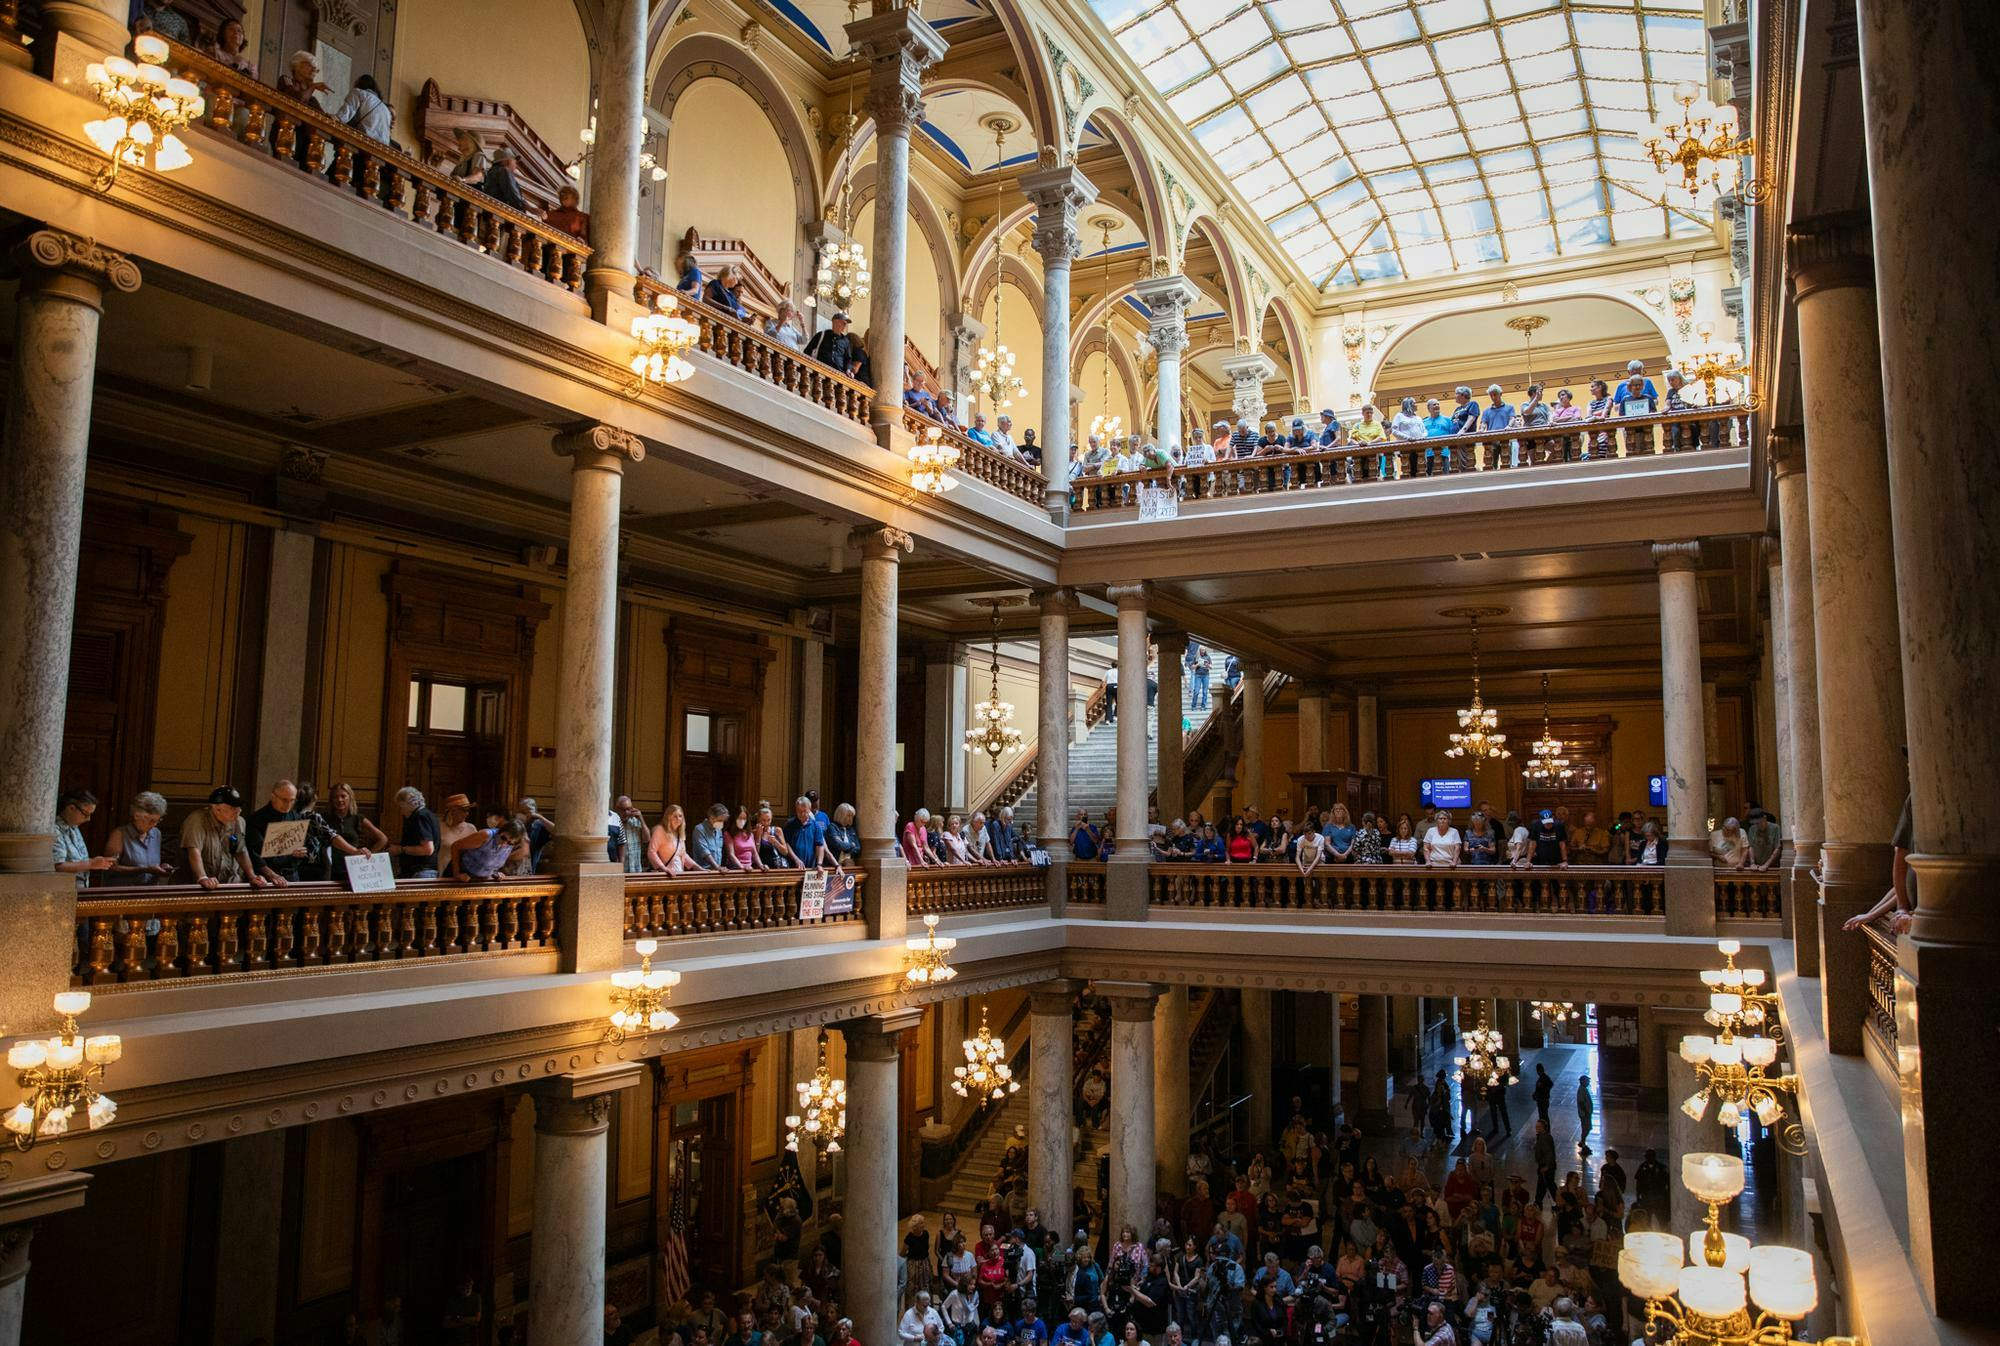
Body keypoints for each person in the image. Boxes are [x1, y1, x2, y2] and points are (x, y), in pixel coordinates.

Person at [183, 786, 257, 888]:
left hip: (231, 883)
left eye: (239, 807)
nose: (239, 811)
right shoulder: (197, 820)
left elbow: (240, 851)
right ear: (217, 809)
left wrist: (252, 876)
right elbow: (194, 851)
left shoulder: (239, 821)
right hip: (201, 886)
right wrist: (202, 877)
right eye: (233, 808)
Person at [98, 791, 176, 885]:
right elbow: (111, 867)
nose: (154, 824)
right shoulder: (119, 834)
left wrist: (162, 867)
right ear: (136, 816)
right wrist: (146, 869)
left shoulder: (156, 834)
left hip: (149, 892)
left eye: (158, 820)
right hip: (123, 893)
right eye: (151, 820)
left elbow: (151, 863)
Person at [244, 779, 310, 886]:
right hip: (266, 877)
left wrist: (302, 852)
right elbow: (254, 854)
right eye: (284, 800)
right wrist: (271, 875)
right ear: (273, 797)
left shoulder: (296, 818)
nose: (288, 804)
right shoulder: (256, 819)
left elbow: (304, 847)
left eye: (292, 800)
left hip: (292, 875)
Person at [52, 789, 114, 887]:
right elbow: (58, 866)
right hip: (63, 891)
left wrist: (97, 862)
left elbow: (77, 859)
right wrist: (91, 864)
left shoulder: (74, 827)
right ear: (71, 808)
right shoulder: (54, 829)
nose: (88, 819)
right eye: (86, 814)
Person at [385, 786, 442, 879]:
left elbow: (427, 849)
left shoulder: (420, 816)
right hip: (425, 871)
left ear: (406, 803)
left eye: (401, 806)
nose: (401, 811)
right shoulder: (429, 814)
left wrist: (400, 849)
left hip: (420, 872)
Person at [333, 74, 394, 143]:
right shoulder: (385, 109)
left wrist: (336, 118)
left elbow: (347, 112)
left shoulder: (359, 93)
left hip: (365, 142)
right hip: (382, 149)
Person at [440, 1273, 482, 1346]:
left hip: (470, 1340)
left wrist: (457, 1318)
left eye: (469, 1287)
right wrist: (469, 1321)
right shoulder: (452, 1300)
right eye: (465, 1287)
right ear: (458, 1287)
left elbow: (477, 1319)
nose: (467, 1289)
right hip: (453, 1340)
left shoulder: (476, 1297)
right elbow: (445, 1324)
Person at [1574, 1077, 1594, 1154]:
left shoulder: (1584, 1089)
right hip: (1585, 1114)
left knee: (1587, 1127)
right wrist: (1586, 1112)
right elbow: (1581, 1102)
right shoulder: (1581, 1090)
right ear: (1583, 1081)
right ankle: (1582, 1142)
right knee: (1586, 1128)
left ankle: (1582, 1141)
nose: (1588, 1083)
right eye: (1587, 1081)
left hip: (1586, 1113)